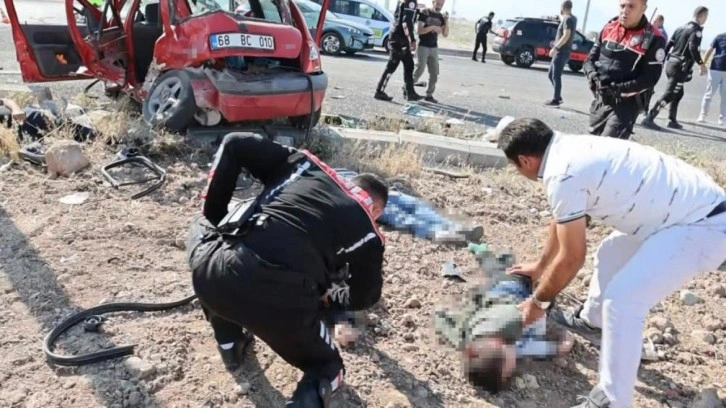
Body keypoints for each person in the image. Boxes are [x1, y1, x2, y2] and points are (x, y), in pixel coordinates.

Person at [496, 118, 726, 408]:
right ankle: (594, 322)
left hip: (702, 225)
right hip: (679, 212)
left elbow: (572, 257)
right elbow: (563, 217)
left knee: (622, 300)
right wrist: (541, 266)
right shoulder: (568, 149)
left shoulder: (562, 174)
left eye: (515, 167)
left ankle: (612, 400)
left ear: (525, 161)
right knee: (610, 253)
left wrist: (538, 303)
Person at [186, 133, 389, 407]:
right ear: (375, 209)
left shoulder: (305, 166)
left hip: (214, 276)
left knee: (202, 226)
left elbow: (234, 143)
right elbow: (366, 297)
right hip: (284, 306)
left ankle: (228, 340)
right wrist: (331, 297)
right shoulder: (369, 232)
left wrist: (216, 217)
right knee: (328, 368)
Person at [434, 248, 575, 394]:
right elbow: (526, 348)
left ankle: (492, 254)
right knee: (495, 271)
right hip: (492, 293)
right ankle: (494, 257)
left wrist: (541, 302)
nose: (513, 367)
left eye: (509, 370)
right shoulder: (481, 344)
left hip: (514, 285)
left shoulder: (510, 322)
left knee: (543, 294)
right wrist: (558, 348)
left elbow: (534, 312)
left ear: (499, 344)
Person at [583, 0, 666, 140]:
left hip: (625, 105)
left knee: (607, 147)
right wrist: (592, 75)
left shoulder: (653, 37)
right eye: (622, 6)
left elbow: (650, 78)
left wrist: (618, 89)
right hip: (600, 99)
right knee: (591, 144)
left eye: (631, 6)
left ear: (643, 8)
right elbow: (589, 60)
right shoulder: (609, 27)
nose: (625, 10)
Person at [642, 6, 709, 131]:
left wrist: (662, 61)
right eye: (706, 16)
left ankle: (672, 120)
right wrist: (701, 64)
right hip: (680, 67)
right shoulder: (696, 31)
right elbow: (693, 48)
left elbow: (669, 45)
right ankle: (649, 118)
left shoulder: (680, 28)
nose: (706, 19)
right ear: (702, 15)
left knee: (678, 93)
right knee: (670, 94)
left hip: (672, 64)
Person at [374, 0, 423, 102]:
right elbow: (406, 23)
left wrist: (418, 12)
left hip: (400, 38)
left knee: (409, 65)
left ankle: (409, 93)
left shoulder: (404, 2)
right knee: (392, 66)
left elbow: (401, 17)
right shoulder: (411, 2)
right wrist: (412, 40)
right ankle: (379, 91)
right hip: (399, 39)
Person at [412, 0, 448, 103]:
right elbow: (419, 31)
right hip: (423, 46)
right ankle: (407, 88)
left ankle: (429, 95)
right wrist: (433, 27)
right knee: (420, 69)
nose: (439, 6)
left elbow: (445, 34)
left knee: (434, 73)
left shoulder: (441, 17)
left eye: (441, 5)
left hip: (434, 47)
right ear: (433, 2)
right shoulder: (425, 13)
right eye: (438, 4)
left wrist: (446, 21)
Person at [545, 1, 577, 107]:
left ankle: (556, 99)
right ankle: (557, 96)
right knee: (551, 75)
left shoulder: (567, 19)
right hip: (562, 51)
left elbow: (566, 35)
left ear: (563, 7)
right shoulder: (573, 18)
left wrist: (555, 48)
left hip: (561, 51)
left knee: (556, 76)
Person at [696, 31, 726, 126]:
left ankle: (722, 118)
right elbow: (709, 50)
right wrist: (702, 65)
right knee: (709, 94)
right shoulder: (720, 36)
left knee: (725, 97)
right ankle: (702, 116)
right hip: (715, 69)